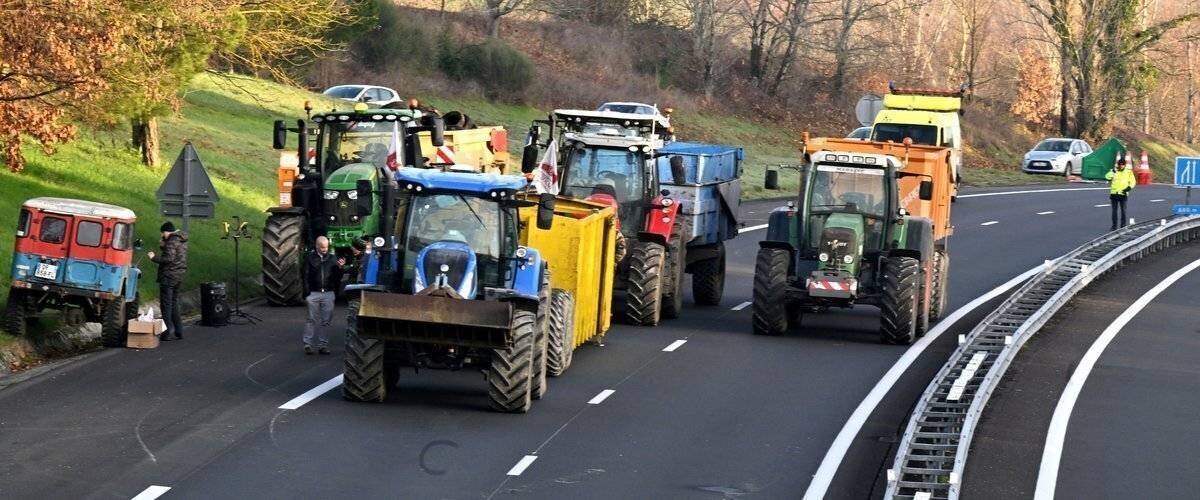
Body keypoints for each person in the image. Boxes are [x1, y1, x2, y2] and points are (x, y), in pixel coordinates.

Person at [303, 236, 345, 355]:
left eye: (326, 247)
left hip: (328, 292)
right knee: (311, 319)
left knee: (326, 320)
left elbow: (338, 277)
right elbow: (305, 275)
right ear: (317, 246)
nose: (324, 249)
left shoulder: (332, 259)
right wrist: (307, 292)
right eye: (322, 247)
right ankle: (307, 344)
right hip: (313, 293)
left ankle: (323, 345)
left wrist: (341, 268)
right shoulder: (310, 259)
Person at [147, 222, 188, 341]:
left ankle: (166, 332)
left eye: (163, 233)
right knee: (174, 303)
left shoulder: (171, 240)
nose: (162, 235)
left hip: (168, 275)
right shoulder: (181, 240)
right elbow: (173, 253)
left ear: (167, 231)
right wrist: (163, 245)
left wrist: (153, 257)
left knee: (166, 305)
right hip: (178, 276)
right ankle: (179, 331)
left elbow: (168, 258)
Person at [1105, 158, 1136, 230]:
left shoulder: (1128, 172)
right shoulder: (1114, 171)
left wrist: (1128, 188)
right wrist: (1112, 172)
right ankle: (1114, 226)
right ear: (1118, 164)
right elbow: (1107, 177)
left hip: (1123, 194)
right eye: (1120, 164)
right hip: (1114, 194)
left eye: (1123, 164)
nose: (1121, 166)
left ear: (1125, 165)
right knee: (1114, 211)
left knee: (1123, 211)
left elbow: (1133, 182)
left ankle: (1123, 226)